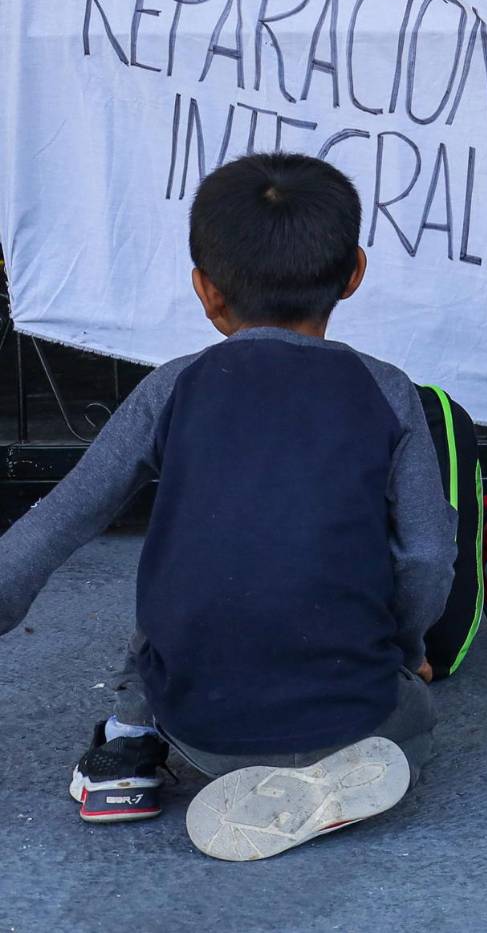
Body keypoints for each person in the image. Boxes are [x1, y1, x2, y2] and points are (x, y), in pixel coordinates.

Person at [0, 154, 457, 859]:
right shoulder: (389, 390)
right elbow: (428, 553)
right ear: (355, 272)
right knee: (416, 714)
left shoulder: (172, 388)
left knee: (184, 583)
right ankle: (333, 764)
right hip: (359, 710)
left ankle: (129, 748)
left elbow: (59, 522)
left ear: (205, 290)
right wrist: (404, 649)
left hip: (200, 724)